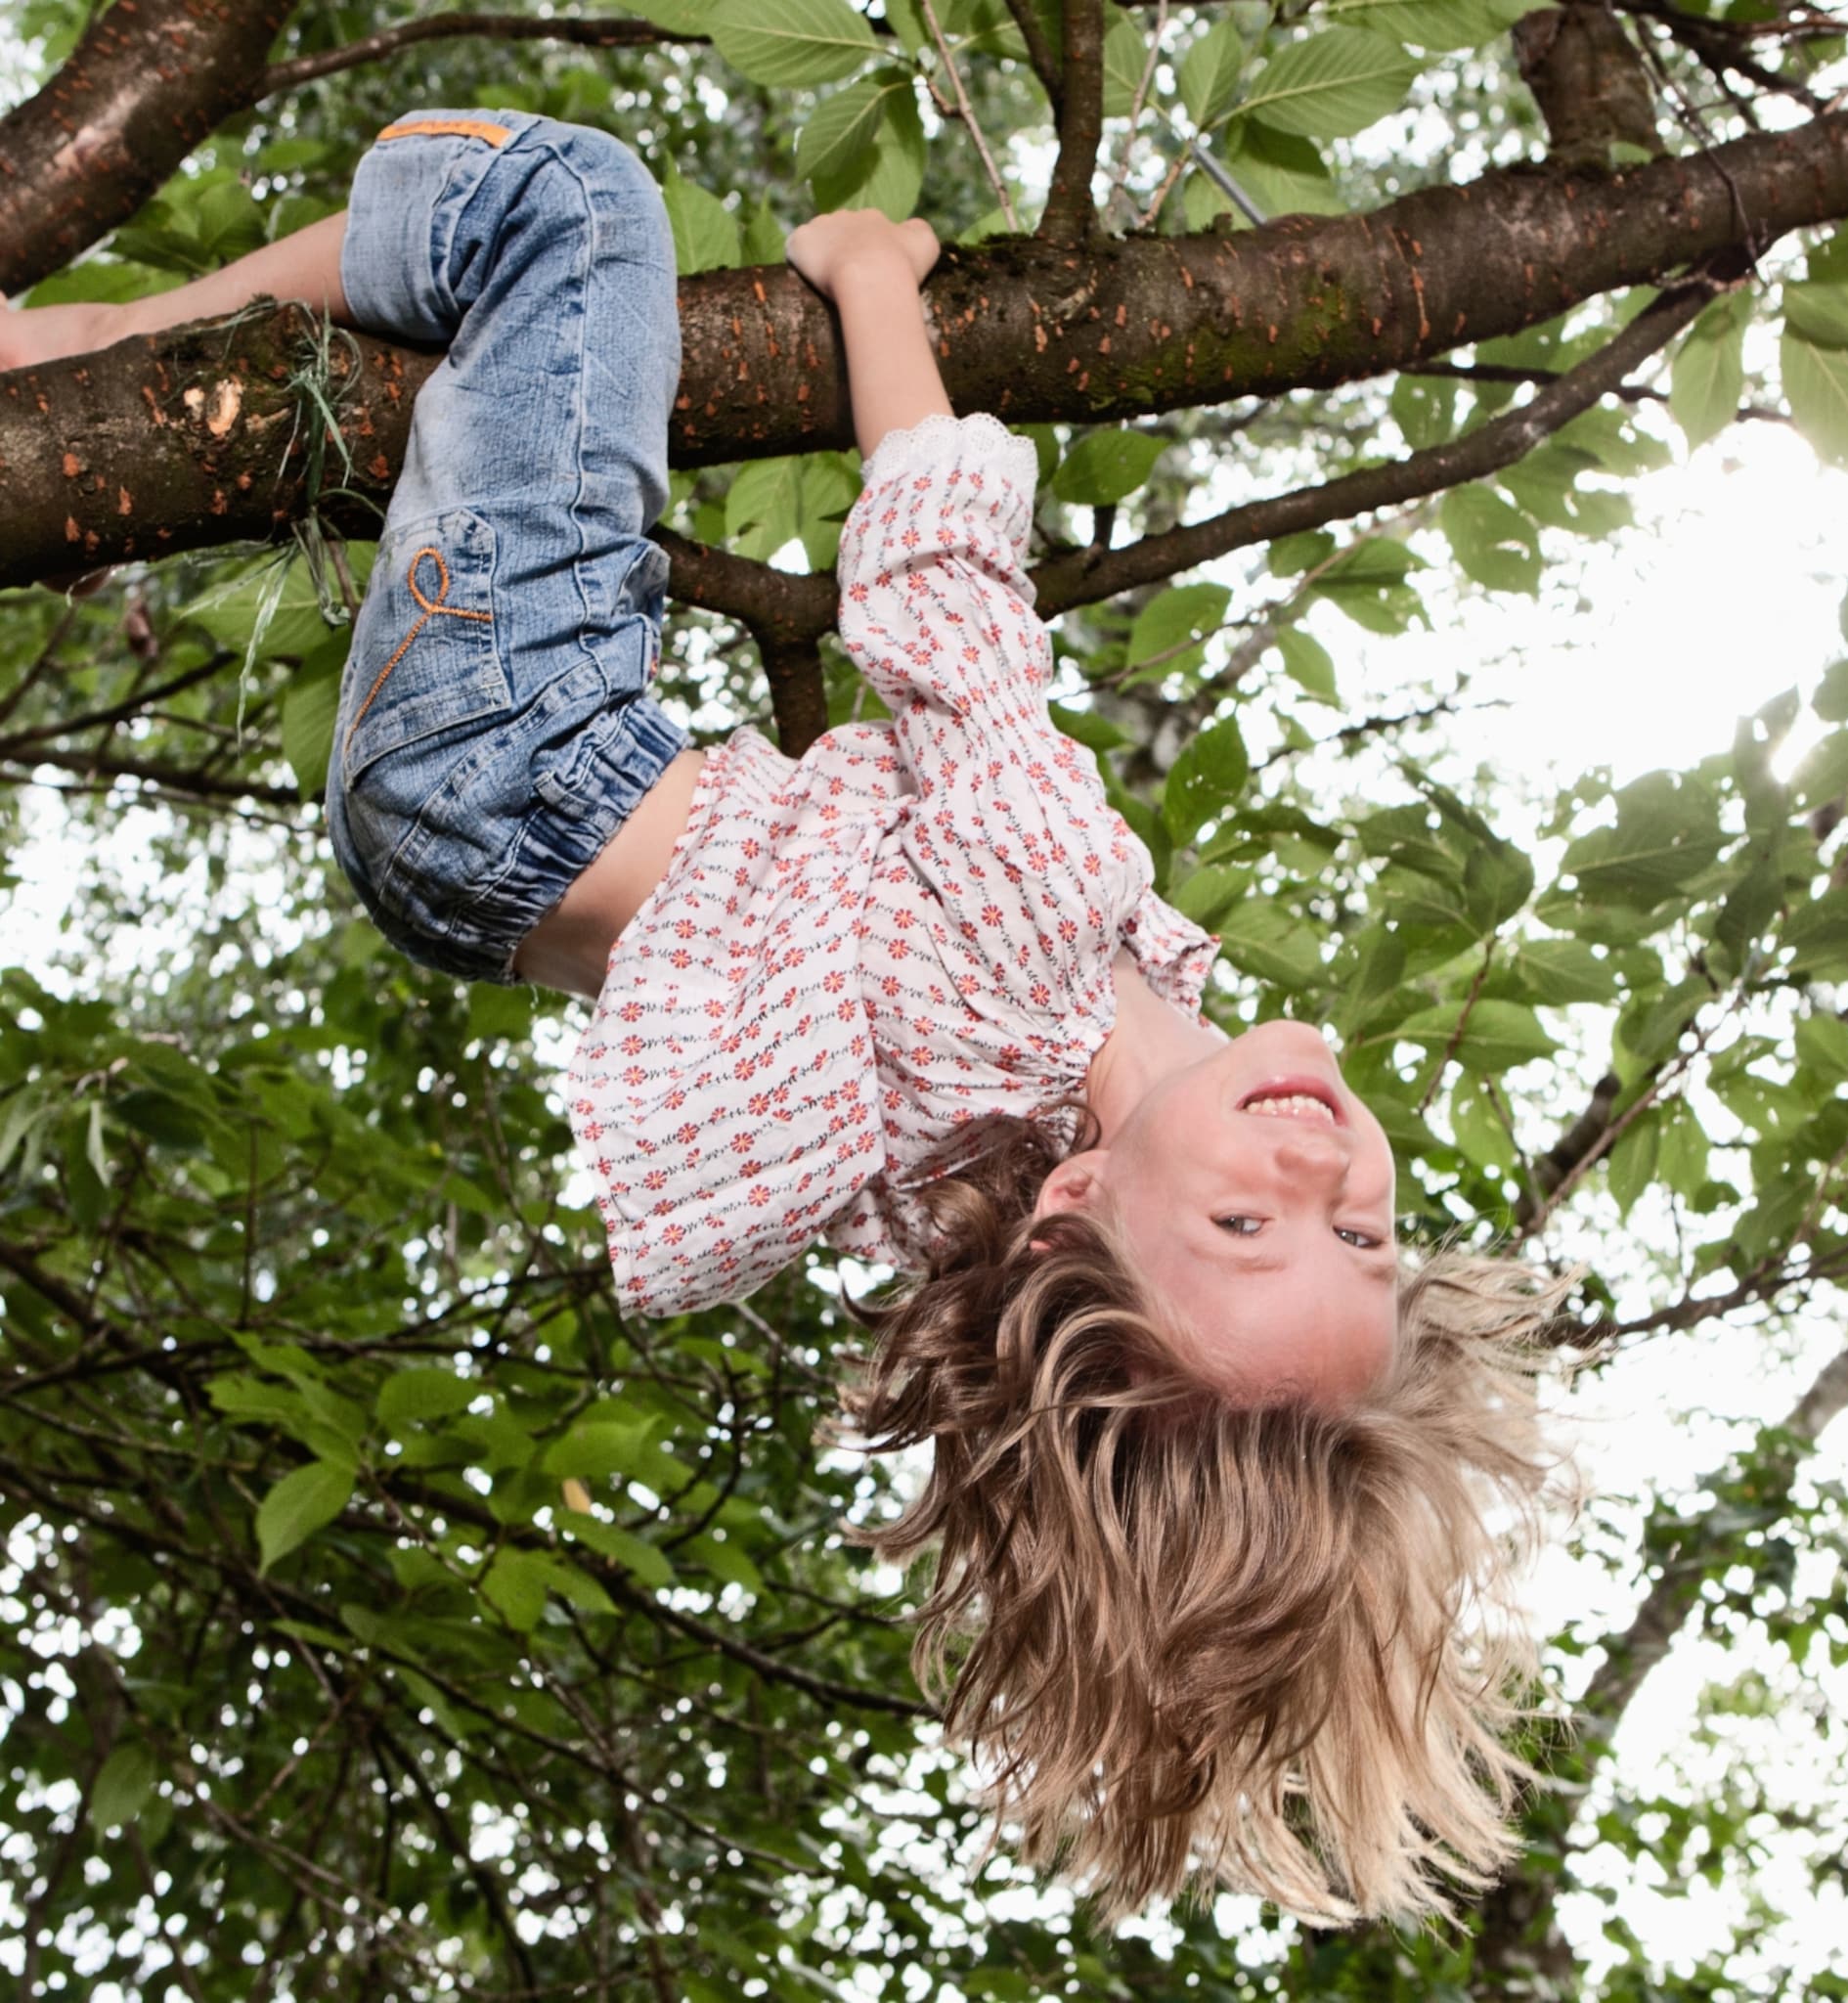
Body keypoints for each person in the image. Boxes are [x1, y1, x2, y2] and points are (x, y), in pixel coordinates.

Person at [1, 111, 1567, 1927]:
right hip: (480, 845)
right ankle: (192, 362)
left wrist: (872, 284)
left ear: (1075, 1222)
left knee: (575, 204)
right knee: (517, 370)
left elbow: (941, 592)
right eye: (1359, 1231)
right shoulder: (1048, 1080)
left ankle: (107, 339)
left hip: (516, 743)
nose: (1316, 1167)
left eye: (1248, 1225)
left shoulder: (1048, 943)